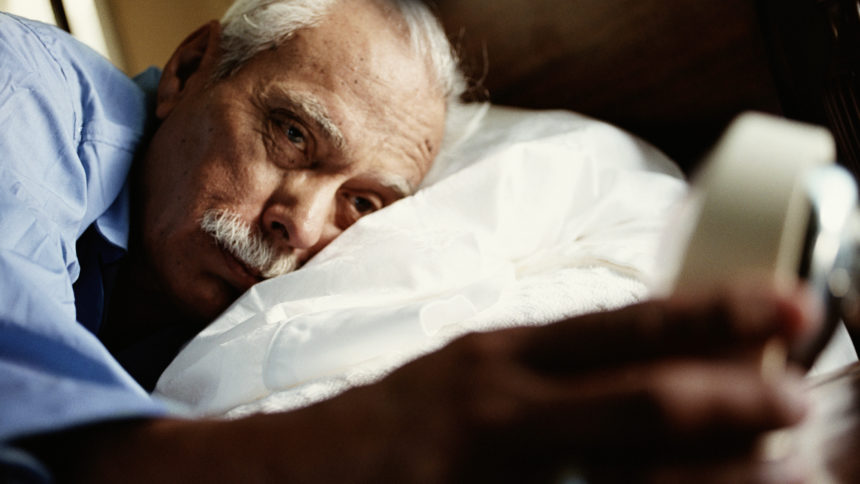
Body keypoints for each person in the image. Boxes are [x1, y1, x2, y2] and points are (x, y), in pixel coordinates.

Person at [0, 0, 822, 482]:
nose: (303, 223)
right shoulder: (25, 95)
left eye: (361, 203)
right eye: (290, 135)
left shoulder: (203, 329)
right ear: (189, 70)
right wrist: (365, 432)